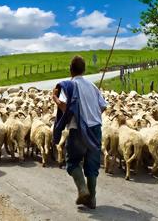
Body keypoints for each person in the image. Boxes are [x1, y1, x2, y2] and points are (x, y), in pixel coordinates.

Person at [52, 55, 107, 209]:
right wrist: (92, 115)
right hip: (95, 129)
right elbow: (103, 106)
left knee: (73, 162)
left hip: (78, 129)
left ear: (71, 70)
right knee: (92, 165)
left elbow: (64, 107)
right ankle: (92, 199)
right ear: (84, 70)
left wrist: (55, 97)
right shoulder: (93, 86)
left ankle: (83, 190)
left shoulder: (69, 86)